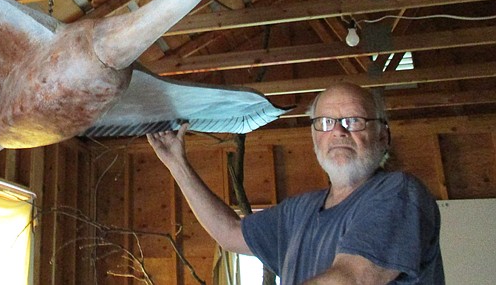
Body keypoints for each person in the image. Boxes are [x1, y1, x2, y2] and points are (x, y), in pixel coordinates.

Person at [147, 82, 444, 284]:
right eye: (326, 122)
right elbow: (230, 233)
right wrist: (176, 163)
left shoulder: (400, 194)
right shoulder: (298, 212)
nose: (338, 131)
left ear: (383, 136)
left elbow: (352, 278)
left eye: (353, 120)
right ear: (315, 138)